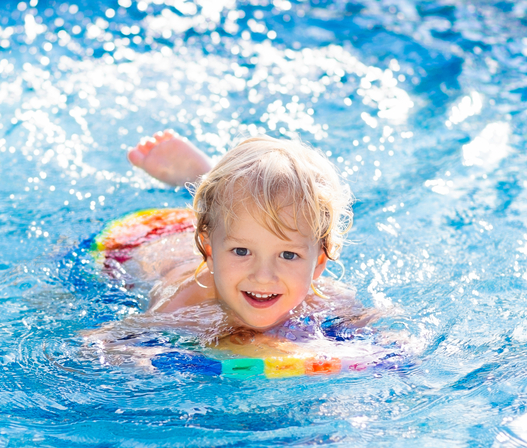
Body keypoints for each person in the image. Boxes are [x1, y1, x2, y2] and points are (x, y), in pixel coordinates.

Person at [85, 129, 375, 369]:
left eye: (288, 255)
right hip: (149, 244)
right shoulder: (185, 308)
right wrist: (138, 358)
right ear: (208, 250)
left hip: (220, 231)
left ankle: (203, 178)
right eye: (241, 252)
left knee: (239, 217)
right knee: (233, 214)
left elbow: (382, 341)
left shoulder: (328, 301)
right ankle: (198, 179)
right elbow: (101, 344)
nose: (263, 276)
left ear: (320, 263)